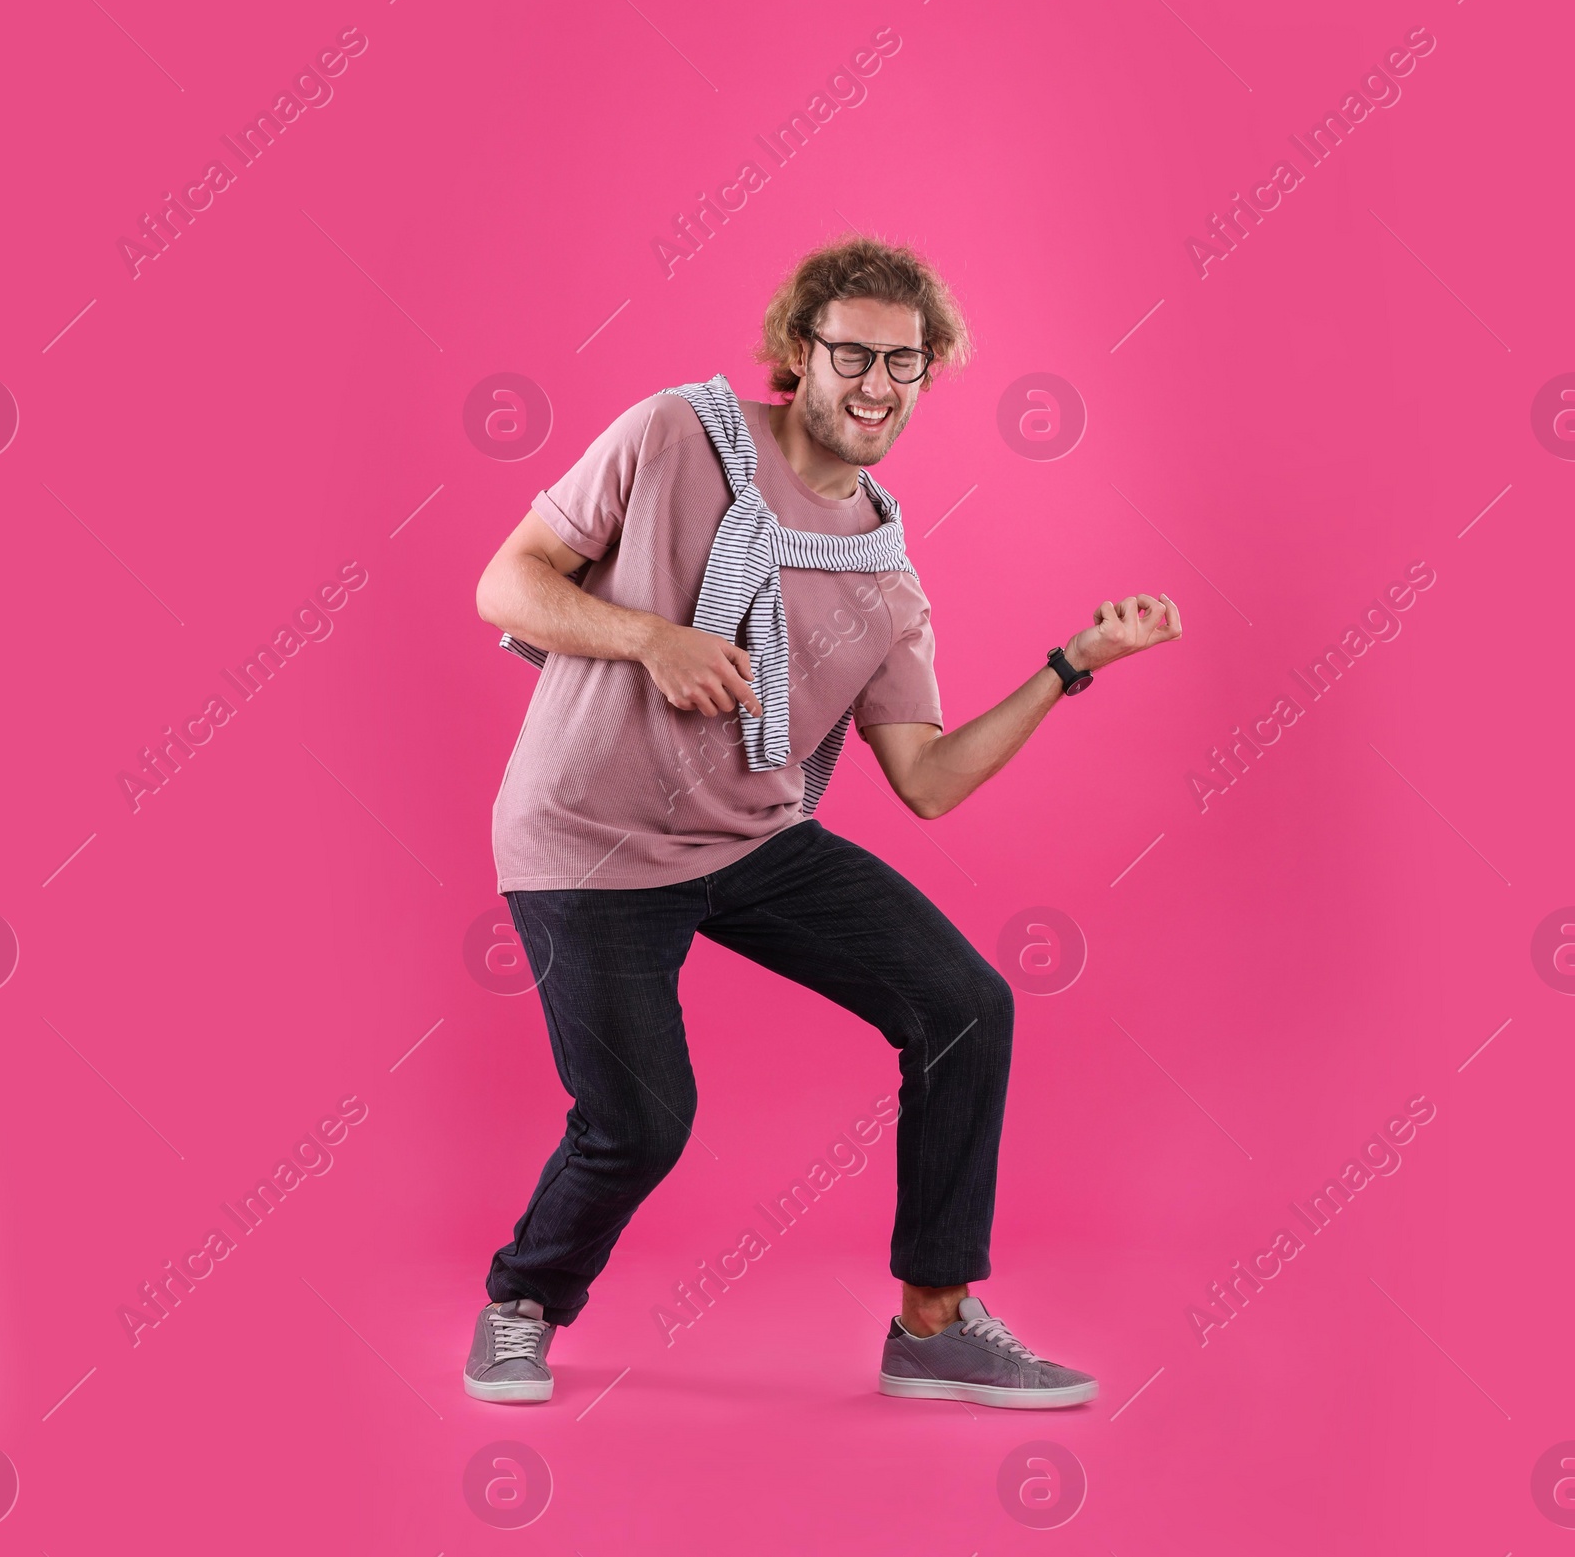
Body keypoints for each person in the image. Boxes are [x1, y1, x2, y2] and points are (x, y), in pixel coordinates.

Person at [466, 236, 1181, 1409]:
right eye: (852, 351)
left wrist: (1070, 664)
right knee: (640, 1123)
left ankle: (933, 1322)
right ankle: (523, 1301)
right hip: (584, 837)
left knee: (964, 1003)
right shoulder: (674, 436)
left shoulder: (886, 578)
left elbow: (931, 779)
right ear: (798, 351)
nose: (876, 384)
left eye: (905, 362)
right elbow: (508, 580)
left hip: (746, 839)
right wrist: (652, 635)